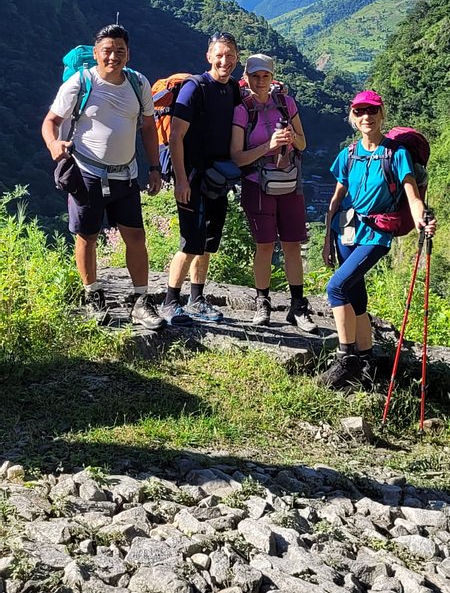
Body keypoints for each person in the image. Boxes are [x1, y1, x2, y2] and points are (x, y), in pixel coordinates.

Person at [42, 24, 165, 330]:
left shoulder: (138, 83)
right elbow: (51, 121)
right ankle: (93, 296)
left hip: (125, 175)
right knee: (87, 237)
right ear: (96, 53)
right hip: (86, 174)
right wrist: (54, 144)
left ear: (128, 53)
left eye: (119, 51)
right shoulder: (80, 83)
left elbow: (149, 127)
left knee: (136, 237)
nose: (113, 57)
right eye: (107, 51)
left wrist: (154, 167)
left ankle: (140, 302)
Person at [321, 89, 436, 389]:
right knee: (356, 296)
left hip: (377, 233)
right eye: (359, 112)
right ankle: (368, 362)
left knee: (336, 287)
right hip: (346, 230)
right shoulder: (347, 155)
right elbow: (336, 199)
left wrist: (423, 218)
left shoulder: (396, 154)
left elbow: (412, 196)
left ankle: (346, 360)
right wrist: (325, 238)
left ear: (382, 114)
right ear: (352, 117)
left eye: (372, 111)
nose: (366, 117)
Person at [230, 54, 318, 331]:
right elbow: (236, 157)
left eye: (264, 76)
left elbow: (303, 144)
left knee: (292, 244)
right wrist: (269, 145)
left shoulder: (286, 103)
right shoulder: (242, 109)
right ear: (246, 77)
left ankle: (298, 306)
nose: (259, 81)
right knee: (265, 246)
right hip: (257, 184)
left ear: (272, 77)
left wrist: (292, 137)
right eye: (254, 76)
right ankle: (262, 302)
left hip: (289, 182)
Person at [160, 31, 240, 325]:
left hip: (218, 178)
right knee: (190, 242)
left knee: (207, 242)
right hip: (191, 176)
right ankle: (170, 301)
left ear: (237, 59)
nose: (224, 61)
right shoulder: (194, 88)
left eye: (230, 56)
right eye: (219, 55)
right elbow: (176, 136)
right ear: (208, 57)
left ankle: (196, 299)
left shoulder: (232, 89)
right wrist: (180, 179)